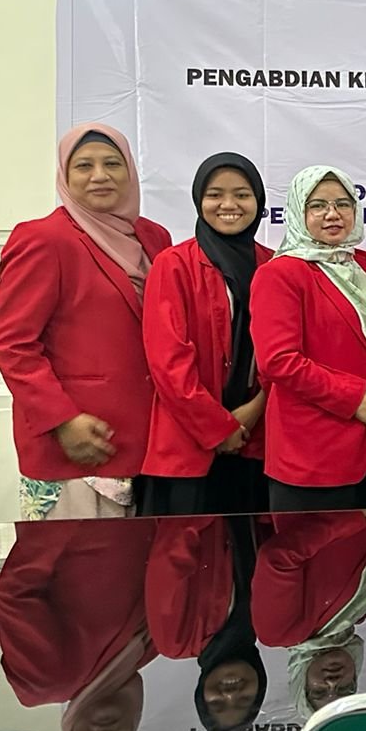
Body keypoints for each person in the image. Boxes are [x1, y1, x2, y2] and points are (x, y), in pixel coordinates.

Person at [0, 124, 172, 519]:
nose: (100, 175)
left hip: (148, 446)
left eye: (112, 164)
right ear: (65, 175)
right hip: (79, 445)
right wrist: (62, 420)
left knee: (137, 559)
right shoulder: (43, 239)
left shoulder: (154, 238)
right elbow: (12, 343)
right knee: (74, 558)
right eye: (84, 166)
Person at [249, 166, 366, 511]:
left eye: (342, 204)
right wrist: (355, 399)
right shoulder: (280, 274)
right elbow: (278, 362)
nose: (332, 214)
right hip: (317, 450)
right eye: (317, 205)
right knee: (324, 546)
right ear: (298, 212)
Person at [140, 152, 272, 516]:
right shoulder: (174, 264)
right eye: (215, 195)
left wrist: (255, 409)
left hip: (256, 440)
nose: (229, 205)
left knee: (256, 547)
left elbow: (283, 352)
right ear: (199, 199)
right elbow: (168, 362)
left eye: (242, 194)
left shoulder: (274, 264)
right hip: (188, 442)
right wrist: (218, 427)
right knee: (186, 548)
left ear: (258, 200)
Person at [0, 517, 159, 731]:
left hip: (80, 509)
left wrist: (68, 517)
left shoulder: (45, 682)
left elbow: (15, 594)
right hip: (145, 504)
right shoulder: (149, 651)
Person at [251, 510, 366, 718]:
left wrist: (354, 516)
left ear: (301, 682)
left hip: (318, 497)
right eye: (345, 689)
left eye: (319, 691)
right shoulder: (362, 610)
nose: (332, 682)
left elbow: (278, 558)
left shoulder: (280, 632)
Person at [145, 514, 268, 731]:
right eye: (244, 700)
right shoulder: (263, 623)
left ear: (201, 693)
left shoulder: (176, 642)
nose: (230, 694)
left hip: (189, 506)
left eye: (217, 704)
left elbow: (169, 557)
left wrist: (205, 508)